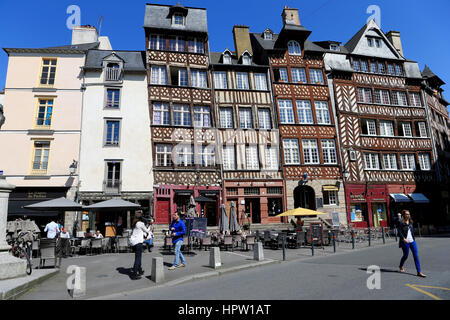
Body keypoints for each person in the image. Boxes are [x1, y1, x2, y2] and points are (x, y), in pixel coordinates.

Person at [398, 210, 427, 278]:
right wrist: (403, 238)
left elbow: (411, 231)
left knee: (416, 255)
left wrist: (413, 238)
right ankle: (401, 265)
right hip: (405, 242)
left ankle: (419, 272)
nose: (408, 215)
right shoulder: (400, 222)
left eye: (409, 214)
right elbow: (399, 231)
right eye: (406, 214)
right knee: (406, 255)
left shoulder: (411, 222)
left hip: (412, 241)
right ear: (403, 215)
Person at [129, 212, 152, 280]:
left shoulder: (134, 223)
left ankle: (140, 270)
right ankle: (134, 274)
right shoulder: (140, 223)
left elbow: (140, 231)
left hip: (134, 242)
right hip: (138, 242)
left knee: (138, 257)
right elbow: (147, 230)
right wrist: (150, 224)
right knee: (138, 258)